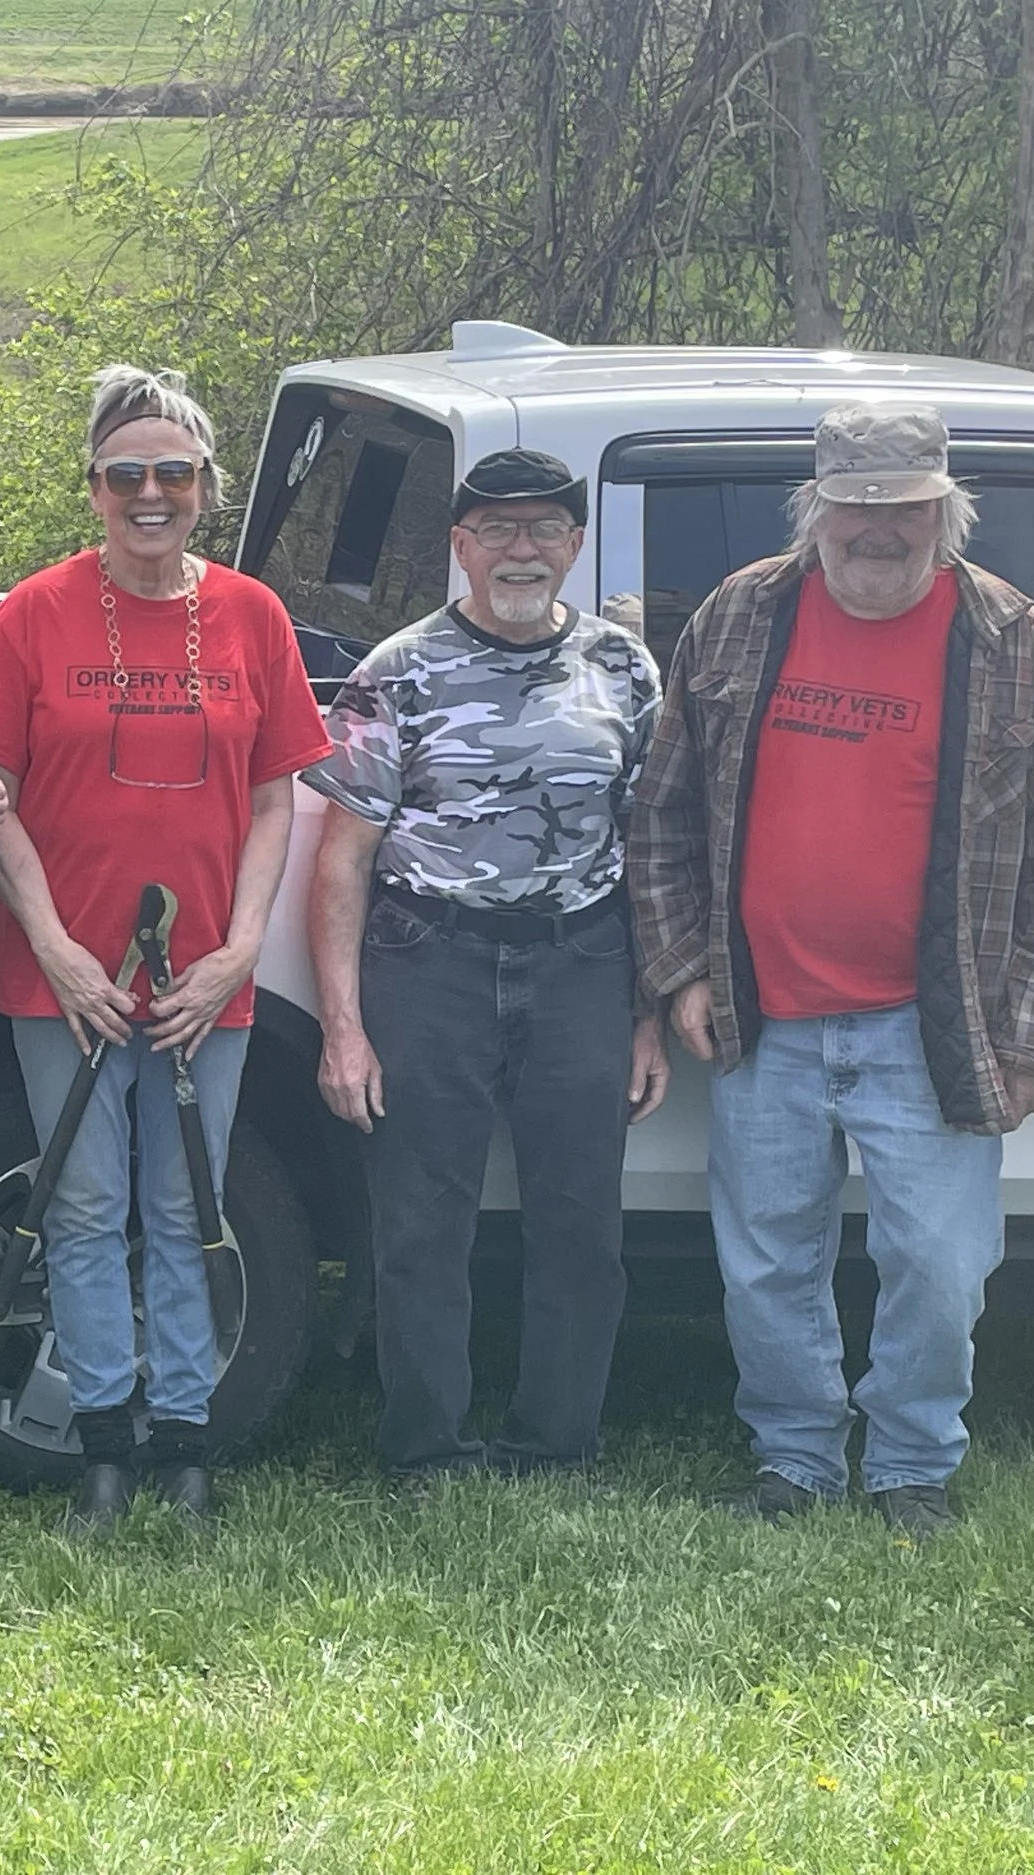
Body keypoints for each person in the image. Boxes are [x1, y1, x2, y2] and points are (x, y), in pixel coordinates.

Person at [631, 402, 1034, 1541]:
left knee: (940, 1266)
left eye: (902, 507)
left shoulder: (1011, 639)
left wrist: (1027, 1034)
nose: (876, 529)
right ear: (816, 508)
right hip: (764, 1012)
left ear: (944, 511)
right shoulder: (738, 616)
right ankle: (795, 1459)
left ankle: (912, 1463)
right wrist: (681, 973)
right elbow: (660, 813)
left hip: (935, 1022)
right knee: (766, 1262)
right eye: (854, 506)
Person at [0, 364, 331, 1533]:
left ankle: (185, 1443)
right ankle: (102, 1447)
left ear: (205, 487)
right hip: (62, 978)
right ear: (95, 488)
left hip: (204, 977)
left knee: (184, 1204)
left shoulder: (253, 616)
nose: (149, 494)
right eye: (127, 475)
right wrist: (54, 946)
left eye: (172, 473)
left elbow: (276, 801)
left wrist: (240, 952)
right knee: (80, 1203)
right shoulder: (35, 612)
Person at [306, 448, 667, 1486]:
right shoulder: (397, 669)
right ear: (460, 546)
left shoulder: (622, 668)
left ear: (574, 545)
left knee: (580, 1226)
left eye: (544, 528)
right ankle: (427, 1450)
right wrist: (344, 1027)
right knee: (420, 1226)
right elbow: (344, 857)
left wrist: (645, 1013)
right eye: (498, 529)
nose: (522, 549)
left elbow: (644, 849)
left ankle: (554, 1446)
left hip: (581, 962)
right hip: (431, 961)